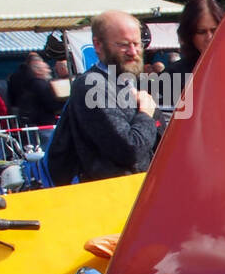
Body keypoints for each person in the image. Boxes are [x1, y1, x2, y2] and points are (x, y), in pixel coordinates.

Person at [51, 10, 157, 183]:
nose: (133, 51)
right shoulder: (91, 85)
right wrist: (145, 113)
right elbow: (130, 150)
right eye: (123, 44)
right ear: (98, 45)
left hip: (138, 192)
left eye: (137, 44)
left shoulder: (129, 81)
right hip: (109, 198)